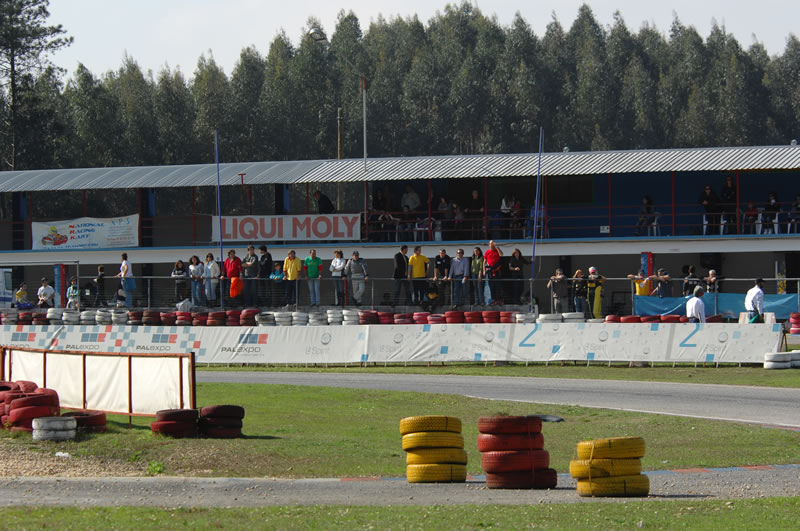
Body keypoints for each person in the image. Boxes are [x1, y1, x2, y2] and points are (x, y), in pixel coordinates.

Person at [484, 240, 504, 304]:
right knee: (491, 286)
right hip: (490, 271)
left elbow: (501, 254)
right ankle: (493, 299)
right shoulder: (487, 252)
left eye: (493, 243)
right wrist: (483, 270)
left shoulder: (497, 250)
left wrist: (497, 247)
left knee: (498, 285)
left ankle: (500, 299)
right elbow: (484, 262)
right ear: (489, 245)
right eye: (491, 243)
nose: (492, 245)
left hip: (497, 271)